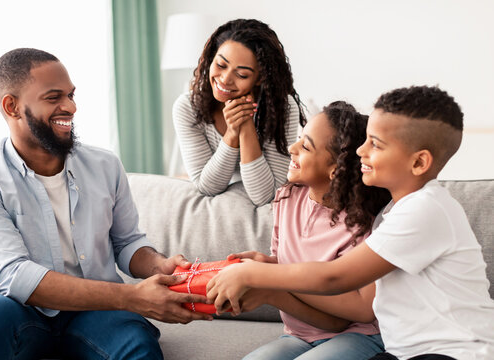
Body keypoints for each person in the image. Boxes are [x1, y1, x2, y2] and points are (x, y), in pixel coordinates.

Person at [0, 48, 212, 360]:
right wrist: (131, 296)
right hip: (23, 314)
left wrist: (160, 266)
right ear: (12, 107)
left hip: (98, 311)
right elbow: (13, 275)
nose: (71, 107)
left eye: (71, 95)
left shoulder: (104, 165)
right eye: (54, 98)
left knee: (137, 343)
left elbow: (128, 243)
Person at [207, 86, 494, 360]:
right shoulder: (394, 212)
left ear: (419, 163)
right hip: (405, 351)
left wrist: (252, 274)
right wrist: (266, 269)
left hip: (457, 351)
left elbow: (335, 277)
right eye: (365, 140)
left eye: (375, 145)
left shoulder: (425, 210)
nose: (359, 152)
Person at [226, 101, 390, 359]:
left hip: (359, 336)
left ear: (335, 169)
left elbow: (361, 310)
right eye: (298, 139)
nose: (292, 149)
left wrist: (268, 275)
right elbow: (287, 270)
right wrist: (265, 265)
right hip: (298, 335)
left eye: (305, 146)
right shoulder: (287, 200)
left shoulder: (366, 222)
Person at [173, 18, 307, 206]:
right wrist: (232, 133)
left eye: (242, 74)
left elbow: (265, 195)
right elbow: (207, 187)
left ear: (259, 79)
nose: (225, 79)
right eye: (221, 65)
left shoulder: (282, 107)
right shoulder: (187, 108)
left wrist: (246, 126)